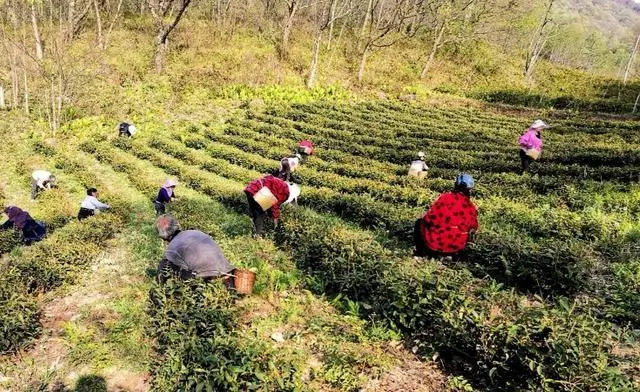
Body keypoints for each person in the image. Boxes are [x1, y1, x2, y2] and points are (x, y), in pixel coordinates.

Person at [414, 173, 478, 260]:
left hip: (435, 244)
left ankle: (420, 253)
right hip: (457, 246)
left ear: (455, 185)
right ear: (470, 190)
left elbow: (429, 218)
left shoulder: (445, 198)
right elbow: (474, 226)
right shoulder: (470, 206)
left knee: (419, 223)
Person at [155, 215, 235, 284]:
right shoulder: (195, 232)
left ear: (162, 236)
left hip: (207, 277)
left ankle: (164, 292)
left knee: (164, 265)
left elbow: (184, 272)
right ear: (176, 225)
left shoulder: (171, 249)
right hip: (227, 271)